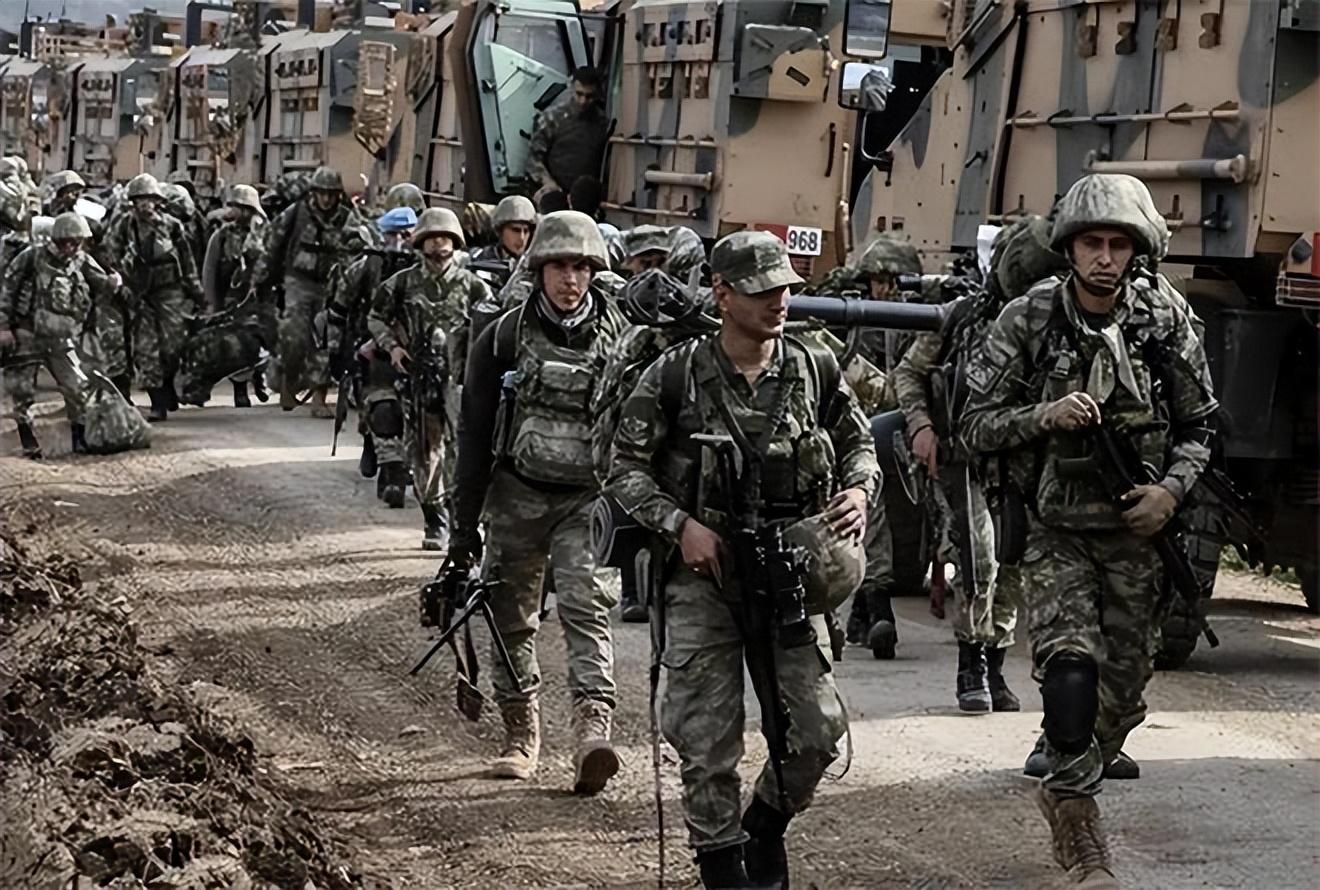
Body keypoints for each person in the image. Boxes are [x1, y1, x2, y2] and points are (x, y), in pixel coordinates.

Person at [961, 173, 1217, 889]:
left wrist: (1169, 492)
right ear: (1068, 249)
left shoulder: (1163, 319)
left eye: (1118, 245)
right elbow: (973, 425)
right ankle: (1081, 835)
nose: (1105, 258)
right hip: (1057, 529)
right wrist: (1043, 415)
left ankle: (1077, 760)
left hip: (1137, 532)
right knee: (1070, 667)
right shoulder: (1029, 319)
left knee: (1122, 693)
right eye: (1091, 244)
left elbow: (1201, 427)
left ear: (1137, 251)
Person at [605, 231, 877, 889]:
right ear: (722, 294)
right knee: (706, 742)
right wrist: (681, 526)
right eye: (762, 291)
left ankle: (765, 824)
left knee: (818, 732)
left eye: (785, 289)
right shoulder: (675, 374)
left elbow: (858, 441)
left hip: (790, 574)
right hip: (706, 575)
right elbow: (623, 469)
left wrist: (858, 491)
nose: (779, 301)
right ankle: (722, 865)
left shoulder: (814, 365)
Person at [450, 210, 628, 793]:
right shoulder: (502, 337)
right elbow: (474, 435)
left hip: (588, 499)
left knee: (586, 609)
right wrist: (462, 530)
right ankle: (520, 731)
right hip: (517, 494)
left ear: (594, 270)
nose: (569, 280)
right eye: (558, 266)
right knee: (510, 618)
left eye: (580, 267)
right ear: (539, 269)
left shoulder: (624, 337)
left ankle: (592, 731)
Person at [367, 207, 487, 549]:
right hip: (420, 377)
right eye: (432, 238)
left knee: (461, 451)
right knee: (424, 452)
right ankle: (434, 518)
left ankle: (461, 518)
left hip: (459, 380)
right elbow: (376, 317)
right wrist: (392, 347)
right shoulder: (402, 283)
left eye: (444, 238)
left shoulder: (474, 286)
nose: (438, 244)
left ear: (455, 242)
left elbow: (492, 328)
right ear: (420, 242)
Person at [840, 234, 923, 659]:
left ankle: (868, 607)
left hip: (916, 435)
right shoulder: (860, 320)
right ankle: (874, 606)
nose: (881, 290)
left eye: (889, 281)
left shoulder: (924, 321)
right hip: (871, 439)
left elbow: (910, 386)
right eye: (875, 281)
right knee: (871, 512)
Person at [252, 165, 369, 416]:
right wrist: (261, 279)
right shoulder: (296, 213)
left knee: (327, 340)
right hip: (298, 281)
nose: (326, 199)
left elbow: (360, 245)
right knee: (293, 336)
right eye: (321, 193)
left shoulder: (348, 217)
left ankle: (319, 397)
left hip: (331, 286)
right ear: (313, 192)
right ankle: (289, 382)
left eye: (331, 194)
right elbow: (273, 245)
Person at [0, 212, 120, 457]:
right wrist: (3, 328)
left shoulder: (81, 260)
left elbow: (101, 284)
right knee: (22, 391)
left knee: (76, 387)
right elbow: (7, 291)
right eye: (67, 242)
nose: (71, 247)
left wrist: (113, 282)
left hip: (61, 338)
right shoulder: (30, 257)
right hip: (27, 333)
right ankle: (29, 442)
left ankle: (80, 439)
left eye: (77, 242)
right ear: (57, 239)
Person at [328, 205, 417, 484]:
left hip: (411, 347)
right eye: (393, 234)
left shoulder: (422, 268)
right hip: (367, 349)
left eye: (406, 234)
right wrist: (335, 351)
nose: (399, 241)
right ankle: (371, 444)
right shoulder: (365, 267)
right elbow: (338, 310)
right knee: (375, 402)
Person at [105, 173, 204, 422]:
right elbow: (110, 256)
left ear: (158, 201)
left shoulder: (172, 226)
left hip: (169, 291)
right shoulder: (124, 225)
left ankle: (168, 383)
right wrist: (120, 281)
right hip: (140, 294)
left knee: (173, 345)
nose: (145, 204)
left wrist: (197, 292)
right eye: (140, 199)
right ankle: (157, 402)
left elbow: (187, 260)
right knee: (146, 349)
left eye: (149, 199)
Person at [200, 184, 271, 408]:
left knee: (265, 341)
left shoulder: (265, 234)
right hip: (233, 299)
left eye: (243, 207)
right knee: (236, 344)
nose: (238, 211)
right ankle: (240, 390)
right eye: (235, 206)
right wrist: (211, 303)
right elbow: (210, 270)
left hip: (262, 298)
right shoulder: (221, 236)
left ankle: (259, 374)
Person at [526, 67, 609, 194]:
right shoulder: (552, 118)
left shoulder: (602, 123)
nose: (583, 101)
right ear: (571, 89)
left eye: (589, 96)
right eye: (579, 94)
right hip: (554, 191)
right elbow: (533, 159)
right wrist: (549, 183)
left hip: (585, 194)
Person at [470, 195, 536, 268]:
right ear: (499, 231)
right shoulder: (478, 258)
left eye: (526, 231)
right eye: (516, 230)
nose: (522, 238)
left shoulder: (535, 265)